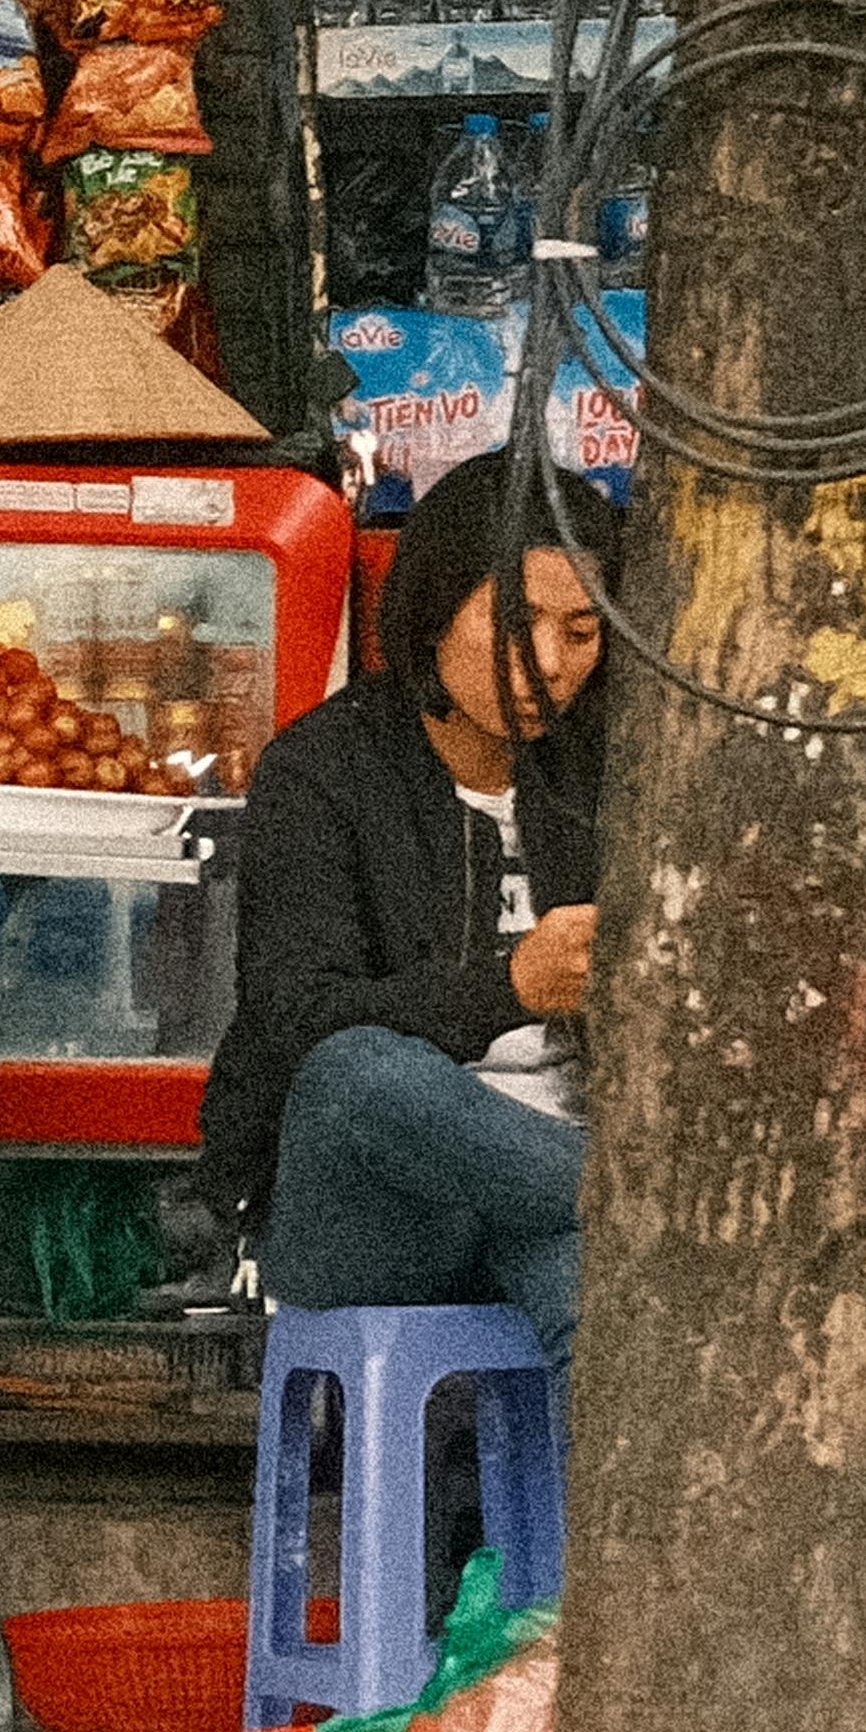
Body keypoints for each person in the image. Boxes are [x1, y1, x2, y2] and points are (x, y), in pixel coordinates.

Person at [199, 445, 603, 1353]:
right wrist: (509, 989)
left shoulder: (607, 770)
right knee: (360, 1071)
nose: (549, 663)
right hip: (375, 1213)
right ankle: (637, 1197)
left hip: (550, 1200)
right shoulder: (325, 769)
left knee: (600, 1304)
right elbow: (296, 1018)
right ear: (432, 617)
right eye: (515, 623)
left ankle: (587, 1501)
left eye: (581, 633)